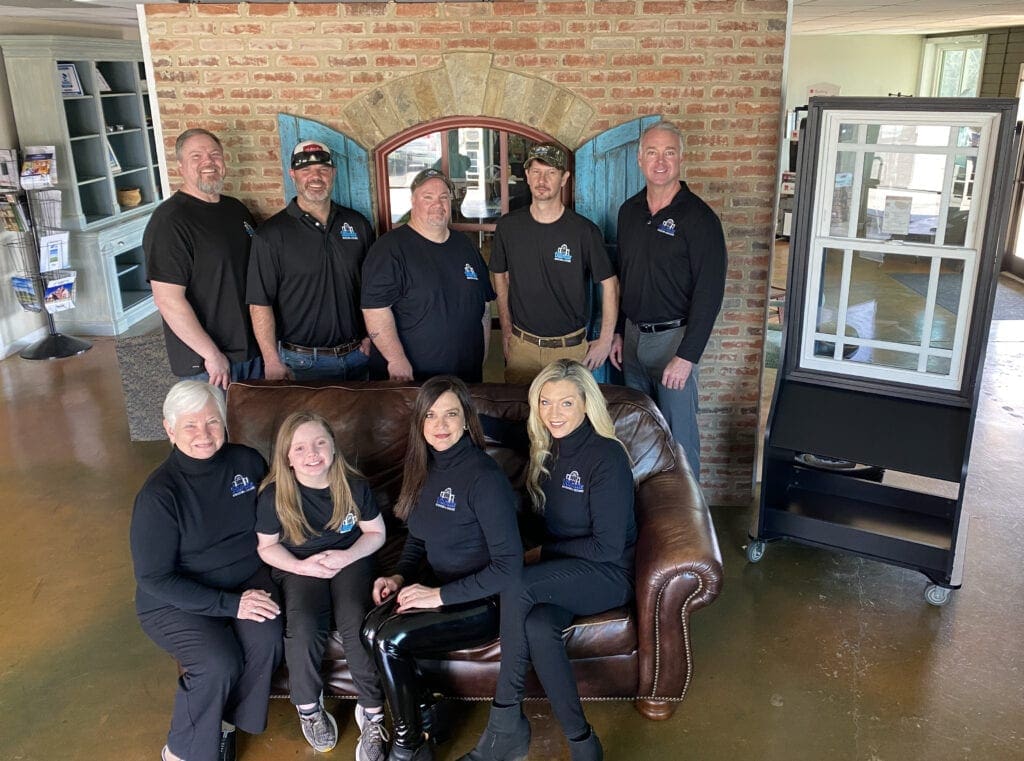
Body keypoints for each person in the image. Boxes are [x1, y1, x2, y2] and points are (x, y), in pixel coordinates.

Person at [457, 359, 635, 761]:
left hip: (607, 573)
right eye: (545, 402)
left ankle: (503, 727)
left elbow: (607, 548)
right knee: (538, 625)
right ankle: (584, 744)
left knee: (516, 581)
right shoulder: (548, 444)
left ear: (586, 404)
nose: (554, 413)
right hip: (564, 574)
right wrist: (459, 414)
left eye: (566, 403)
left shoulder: (606, 457)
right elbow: (502, 429)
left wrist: (541, 554)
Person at [360, 376, 523, 761]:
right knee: (370, 630)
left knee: (389, 640)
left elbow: (509, 567)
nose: (440, 425)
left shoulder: (484, 478)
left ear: (467, 419)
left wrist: (436, 596)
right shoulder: (424, 467)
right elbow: (419, 536)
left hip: (483, 601)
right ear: (420, 422)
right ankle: (427, 713)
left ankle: (409, 746)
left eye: (451, 414)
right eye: (431, 415)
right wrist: (399, 575)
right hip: (440, 587)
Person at [129, 381, 282, 761]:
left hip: (248, 579)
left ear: (225, 422)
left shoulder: (247, 462)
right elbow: (154, 577)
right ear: (169, 429)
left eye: (212, 423)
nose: (204, 435)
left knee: (267, 637)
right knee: (218, 663)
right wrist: (231, 605)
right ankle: (182, 751)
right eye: (190, 426)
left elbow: (273, 523)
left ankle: (226, 722)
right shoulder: (159, 496)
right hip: (176, 599)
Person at [255, 411, 388, 759]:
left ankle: (372, 713)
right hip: (299, 564)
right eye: (299, 448)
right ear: (287, 456)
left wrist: (345, 559)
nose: (311, 454)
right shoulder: (274, 496)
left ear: (333, 447)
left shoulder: (353, 485)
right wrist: (301, 566)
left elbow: (376, 533)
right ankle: (309, 708)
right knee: (303, 625)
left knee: (355, 619)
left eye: (319, 443)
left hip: (349, 558)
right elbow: (267, 547)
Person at [609, 121, 727, 481]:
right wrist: (616, 332)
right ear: (639, 159)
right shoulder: (628, 212)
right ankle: (644, 513)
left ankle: (689, 526)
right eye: (652, 153)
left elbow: (710, 292)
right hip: (632, 340)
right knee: (634, 432)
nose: (660, 161)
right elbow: (623, 277)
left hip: (673, 343)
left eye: (669, 152)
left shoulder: (700, 219)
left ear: (681, 158)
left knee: (679, 440)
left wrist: (687, 356)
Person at [491, 142, 619, 384]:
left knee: (569, 419)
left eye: (551, 173)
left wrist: (605, 339)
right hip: (523, 349)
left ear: (564, 178)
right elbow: (499, 274)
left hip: (569, 350)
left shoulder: (584, 231)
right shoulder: (508, 227)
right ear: (527, 176)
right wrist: (506, 329)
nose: (542, 180)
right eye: (536, 172)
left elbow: (610, 284)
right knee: (520, 418)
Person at [247, 140, 375, 381]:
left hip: (359, 356)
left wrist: (372, 336)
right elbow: (259, 304)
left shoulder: (358, 224)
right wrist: (271, 360)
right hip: (301, 363)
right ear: (292, 174)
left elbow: (373, 289)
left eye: (323, 170)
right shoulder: (271, 235)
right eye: (306, 171)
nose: (315, 177)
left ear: (333, 174)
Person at [144, 128, 262, 389]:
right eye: (196, 156)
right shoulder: (170, 221)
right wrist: (211, 354)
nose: (208, 162)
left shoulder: (236, 209)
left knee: (253, 429)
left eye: (214, 154)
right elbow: (167, 299)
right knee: (214, 430)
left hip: (250, 352)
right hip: (209, 364)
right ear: (180, 166)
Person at [361, 169, 495, 383]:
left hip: (465, 377)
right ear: (413, 201)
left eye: (443, 197)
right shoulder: (389, 248)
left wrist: (482, 355)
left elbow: (485, 306)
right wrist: (396, 359)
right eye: (428, 197)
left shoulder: (466, 246)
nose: (437, 204)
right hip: (412, 380)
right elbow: (375, 309)